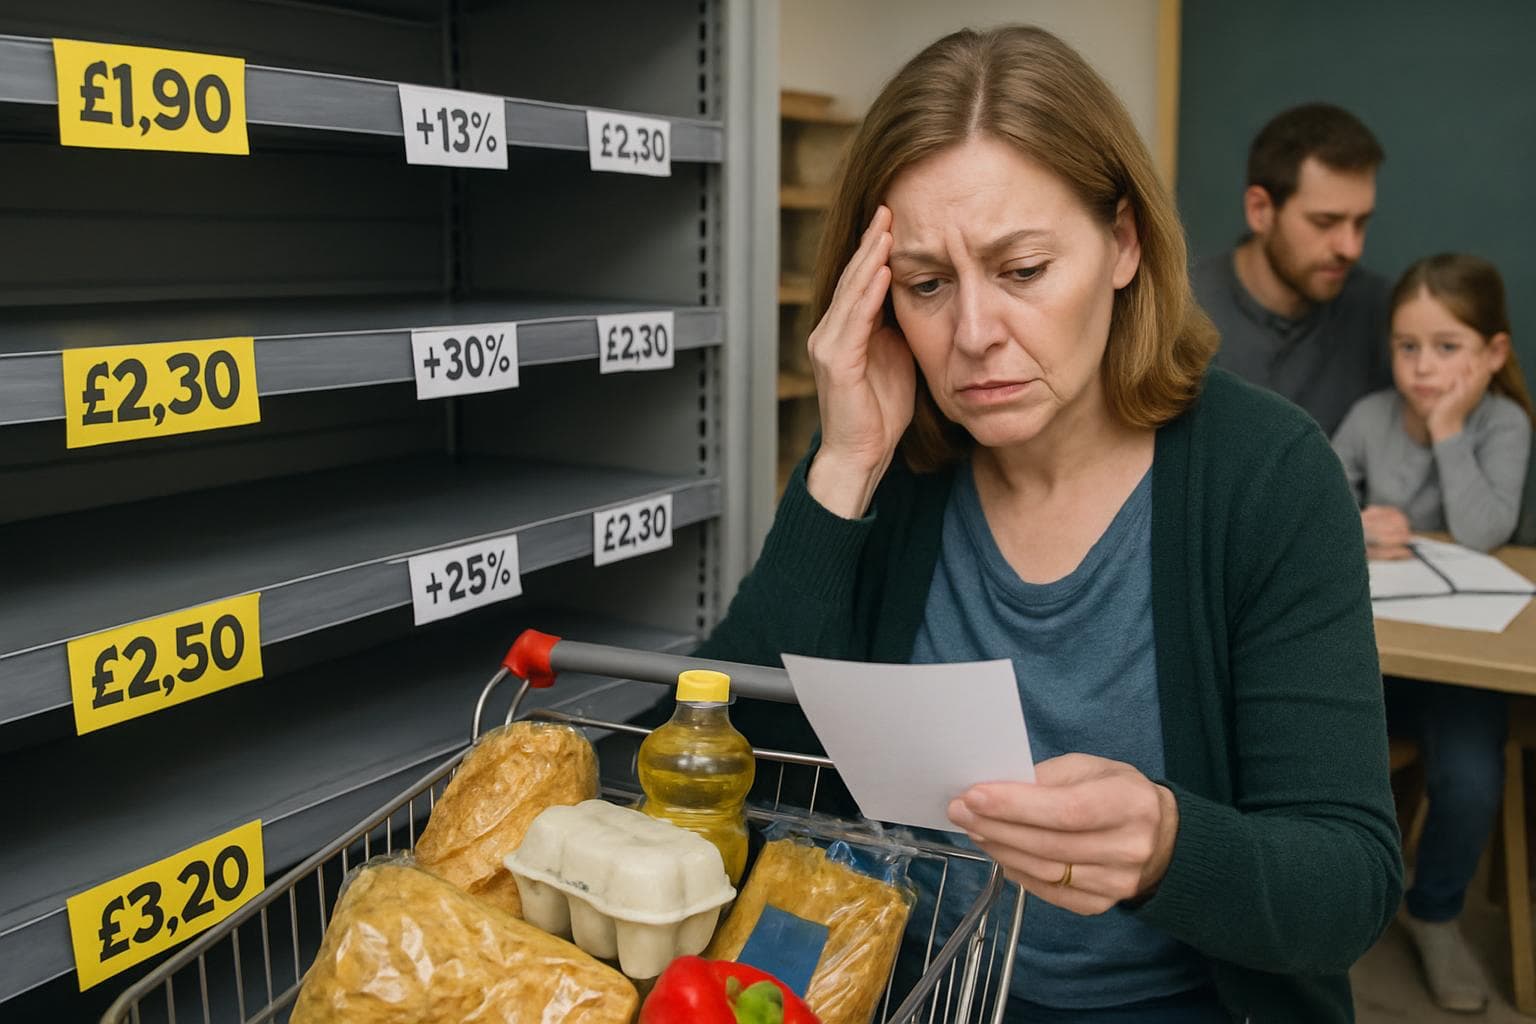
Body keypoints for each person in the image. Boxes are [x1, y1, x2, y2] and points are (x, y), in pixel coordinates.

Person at [698, 25, 1400, 1024]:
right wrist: (844, 468)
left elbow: (1349, 885)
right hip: (916, 987)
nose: (974, 334)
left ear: (1123, 243)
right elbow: (746, 764)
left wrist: (1166, 843)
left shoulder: (1268, 477)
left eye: (1022, 269)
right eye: (927, 284)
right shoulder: (886, 459)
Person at [1332, 253, 1534, 1012]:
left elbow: (1487, 530)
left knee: (1474, 777)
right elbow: (1316, 501)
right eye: (1407, 346)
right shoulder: (1370, 417)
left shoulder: (1502, 423)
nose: (1423, 368)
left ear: (1494, 354)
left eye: (1447, 348)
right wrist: (1353, 521)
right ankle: (1338, 896)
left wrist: (1449, 427)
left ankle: (1435, 912)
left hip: (1461, 665)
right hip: (1379, 657)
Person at [1191, 103, 1390, 435]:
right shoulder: (1176, 314)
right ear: (1260, 210)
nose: (1351, 248)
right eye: (1325, 222)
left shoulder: (1386, 317)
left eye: (1361, 222)